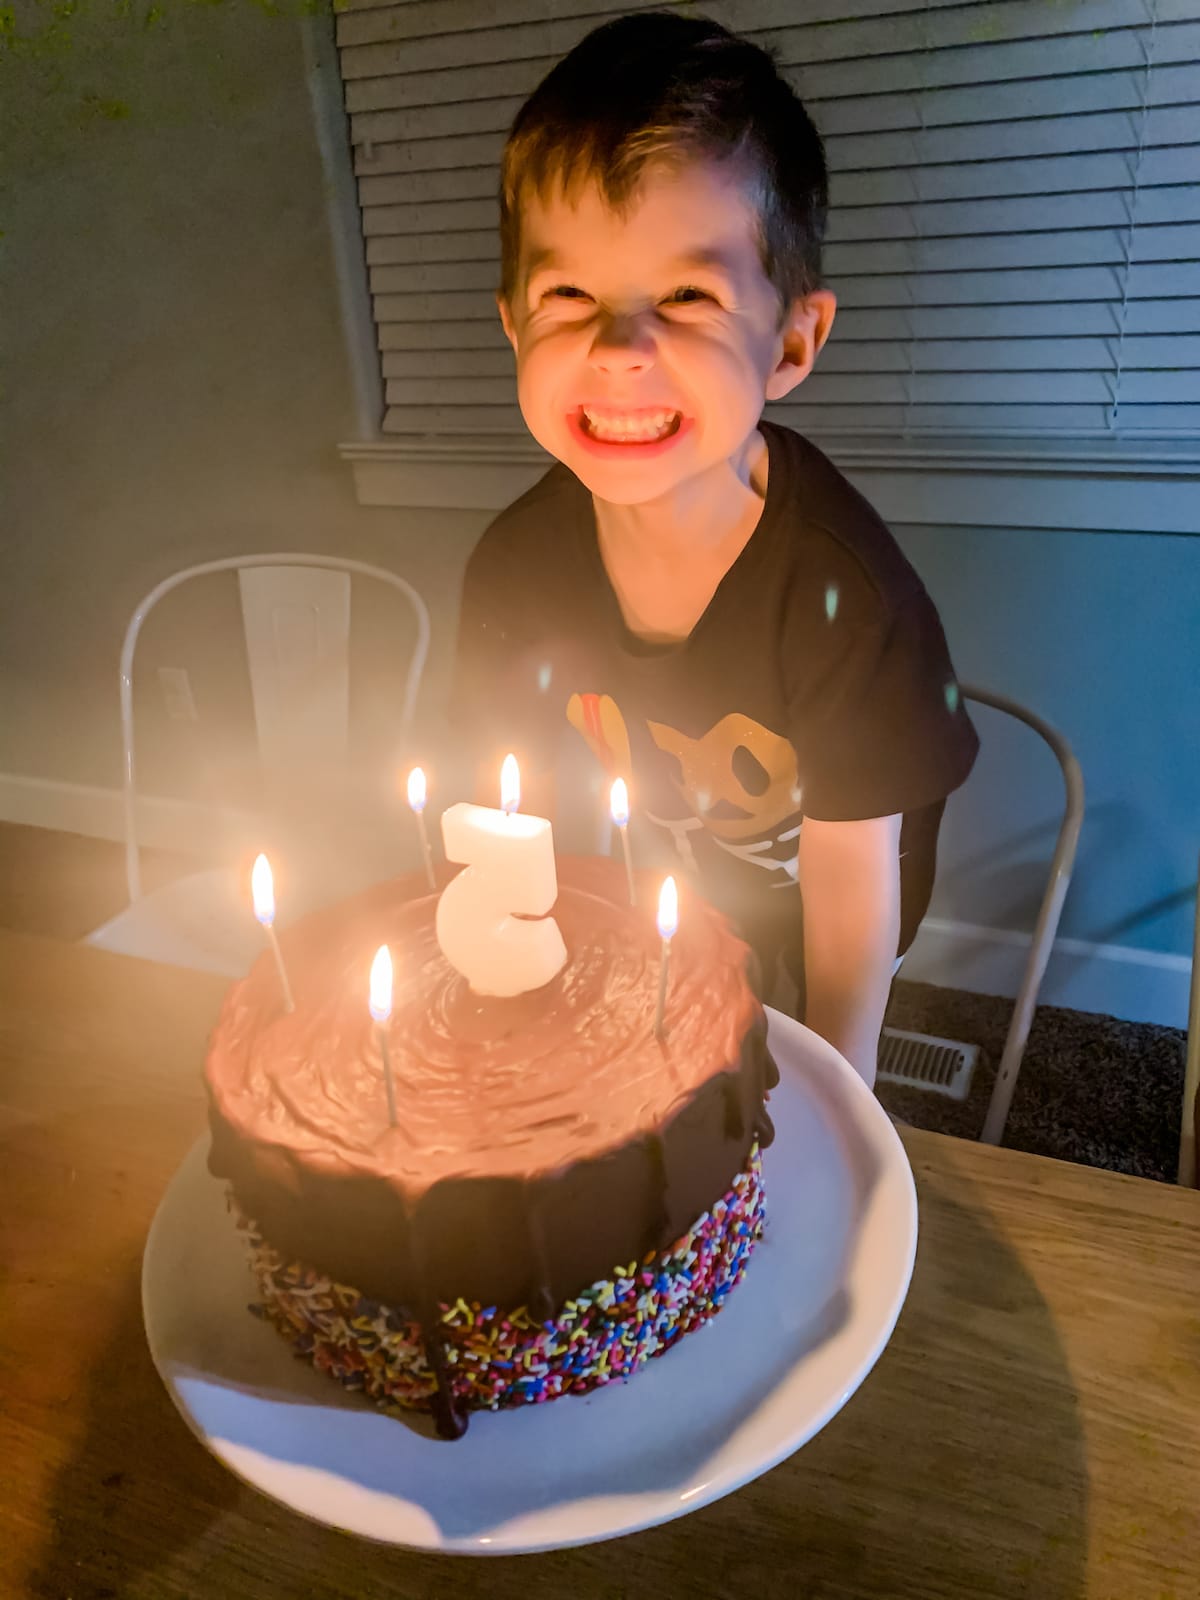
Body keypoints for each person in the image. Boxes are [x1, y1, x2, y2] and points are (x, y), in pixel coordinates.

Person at [449, 11, 978, 1088]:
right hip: (666, 884)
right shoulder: (513, 566)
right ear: (513, 326)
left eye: (687, 295)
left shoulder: (845, 595)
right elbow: (519, 810)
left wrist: (843, 1092)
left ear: (791, 343)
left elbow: (848, 879)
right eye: (569, 295)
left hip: (825, 918)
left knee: (786, 1087)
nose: (619, 349)